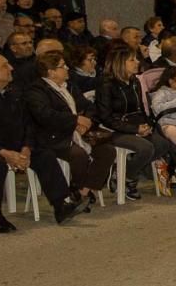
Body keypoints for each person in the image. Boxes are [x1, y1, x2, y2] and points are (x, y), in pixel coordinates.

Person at [0, 53, 85, 231]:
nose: (11, 68)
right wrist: (3, 152)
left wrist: (26, 148)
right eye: (4, 66)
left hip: (15, 145)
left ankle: (60, 205)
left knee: (45, 154)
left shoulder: (14, 92)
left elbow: (28, 124)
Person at [25, 51, 116, 206]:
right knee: (78, 155)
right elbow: (45, 115)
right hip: (54, 135)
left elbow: (89, 106)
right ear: (51, 72)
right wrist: (75, 120)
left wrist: (85, 121)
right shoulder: (37, 90)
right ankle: (78, 187)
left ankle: (83, 191)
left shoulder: (70, 86)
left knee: (107, 151)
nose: (67, 68)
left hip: (77, 132)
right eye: (62, 66)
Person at [96, 43, 173, 200]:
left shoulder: (134, 82)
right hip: (114, 129)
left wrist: (147, 125)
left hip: (135, 124)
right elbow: (106, 117)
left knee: (163, 144)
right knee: (145, 148)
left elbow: (141, 109)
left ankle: (124, 174)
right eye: (132, 60)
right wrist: (134, 129)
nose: (137, 62)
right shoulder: (106, 84)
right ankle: (130, 178)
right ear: (119, 63)